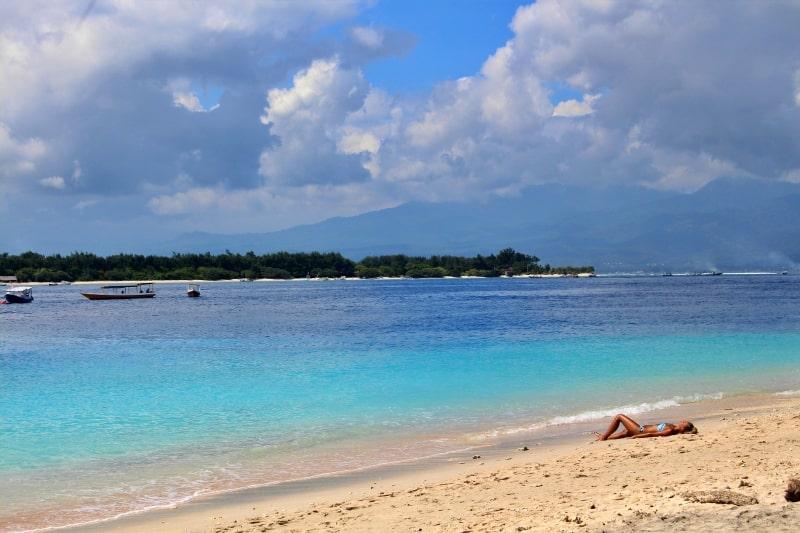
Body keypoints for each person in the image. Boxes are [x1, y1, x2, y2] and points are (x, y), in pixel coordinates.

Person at [595, 413, 697, 441]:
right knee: (624, 432)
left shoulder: (670, 430)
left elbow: (652, 434)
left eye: (685, 422)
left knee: (619, 416)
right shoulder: (673, 427)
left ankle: (603, 437)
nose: (683, 421)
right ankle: (604, 437)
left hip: (639, 431)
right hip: (640, 429)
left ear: (684, 428)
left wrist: (637, 436)